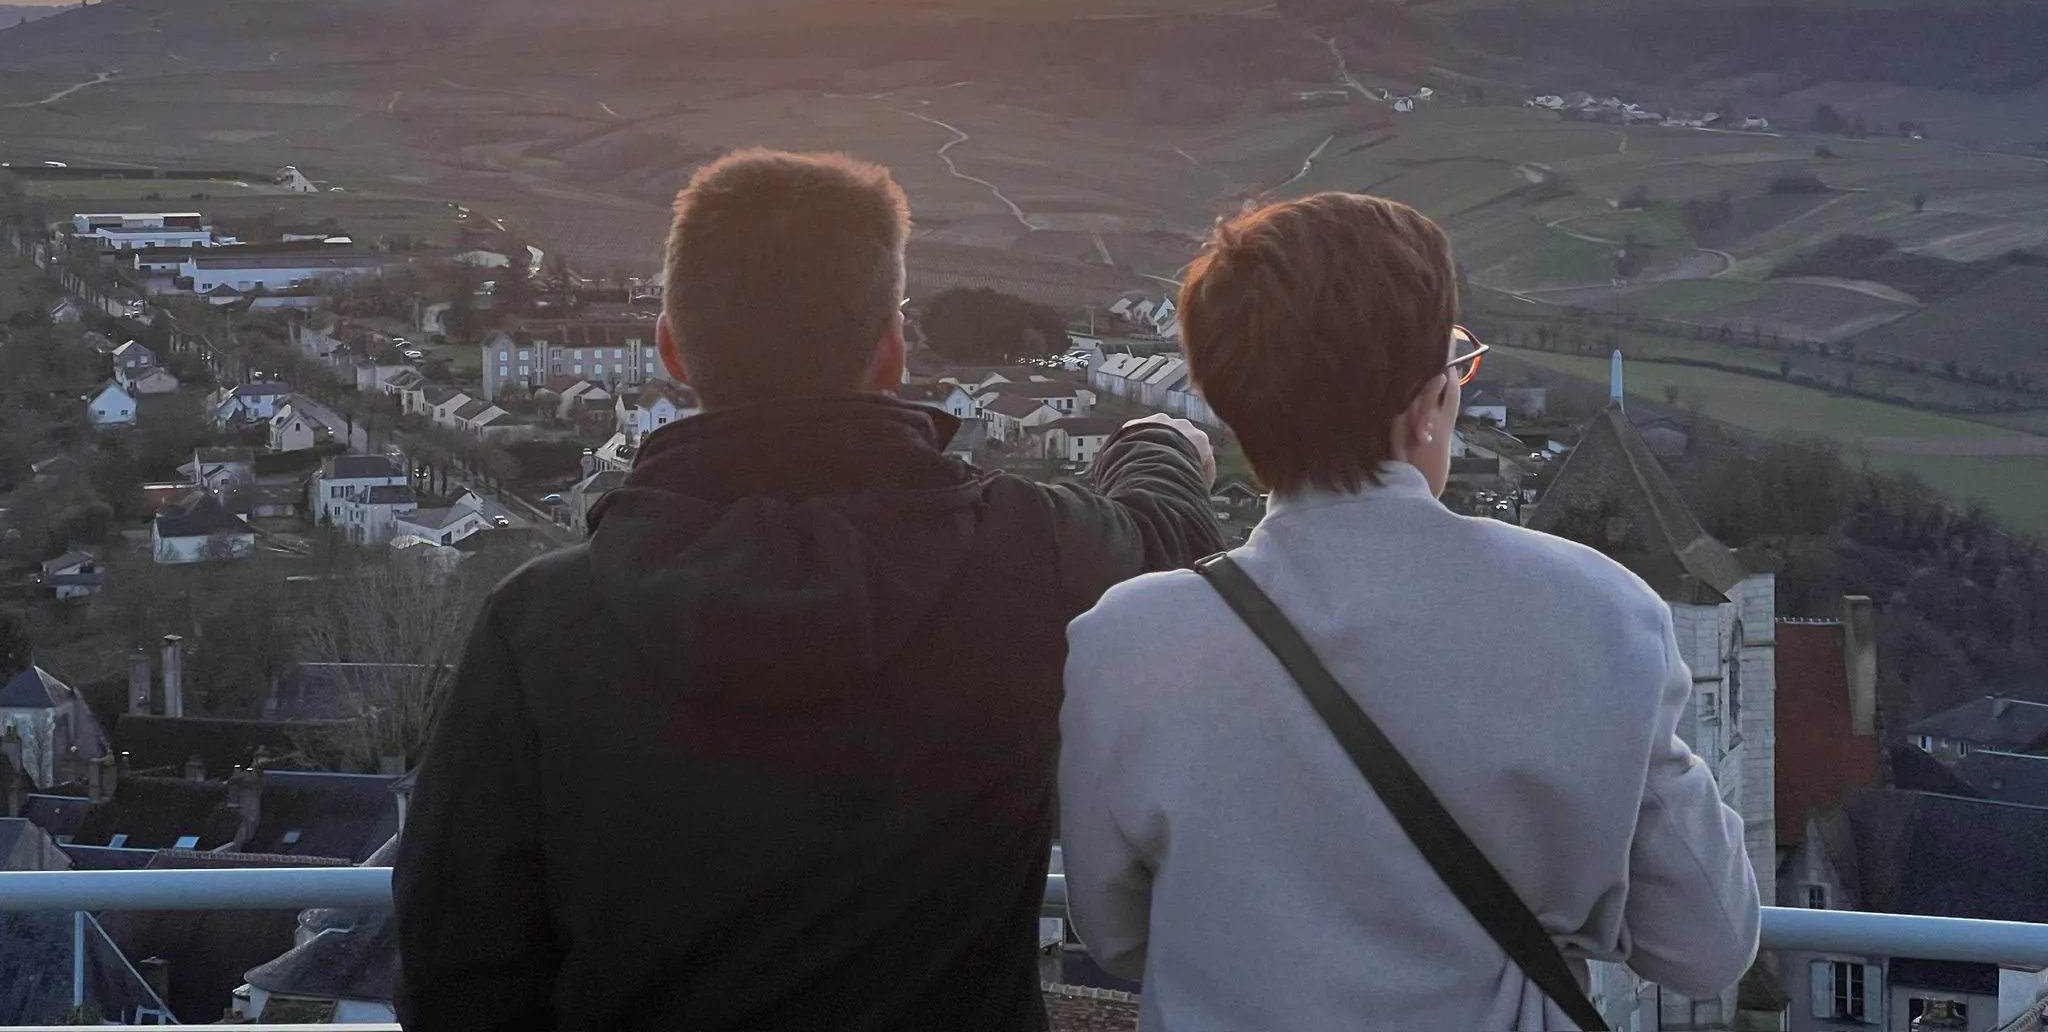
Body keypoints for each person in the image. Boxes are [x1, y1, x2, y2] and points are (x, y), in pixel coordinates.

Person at [395, 149, 1220, 1032]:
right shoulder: (1030, 559)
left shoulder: (541, 627)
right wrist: (1162, 442)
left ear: (672, 347)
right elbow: (1171, 542)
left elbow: (457, 966)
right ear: (893, 351)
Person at [1058, 192, 1759, 1030]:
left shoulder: (1126, 641)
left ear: (1229, 405)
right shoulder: (1599, 612)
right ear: (1429, 405)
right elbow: (1708, 942)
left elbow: (1113, 932)